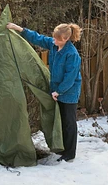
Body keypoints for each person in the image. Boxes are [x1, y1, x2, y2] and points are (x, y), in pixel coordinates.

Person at [6, 22, 82, 162]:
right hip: (57, 90)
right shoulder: (53, 45)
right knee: (60, 120)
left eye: (57, 39)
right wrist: (18, 29)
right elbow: (37, 38)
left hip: (69, 92)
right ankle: (62, 148)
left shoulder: (72, 54)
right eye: (54, 38)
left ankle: (69, 153)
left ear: (65, 39)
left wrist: (58, 92)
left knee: (69, 122)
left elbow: (70, 77)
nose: (54, 40)